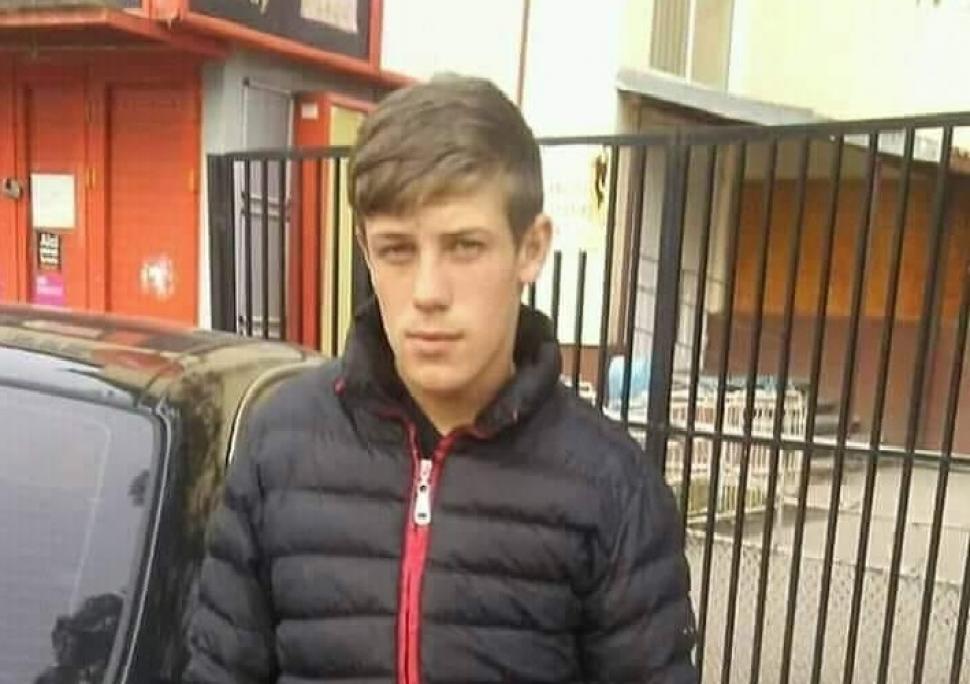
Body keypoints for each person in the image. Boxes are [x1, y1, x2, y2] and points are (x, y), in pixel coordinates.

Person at [185, 74, 697, 683]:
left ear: (531, 248)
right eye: (397, 250)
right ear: (366, 251)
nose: (428, 292)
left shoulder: (611, 485)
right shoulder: (278, 447)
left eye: (464, 246)